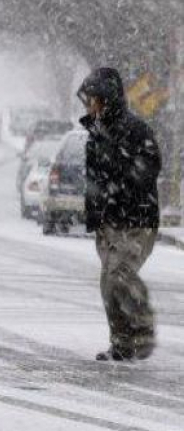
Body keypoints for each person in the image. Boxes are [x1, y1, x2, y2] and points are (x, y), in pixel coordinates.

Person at [78, 67, 161, 362]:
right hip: (109, 223)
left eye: (94, 100)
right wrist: (94, 216)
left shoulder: (135, 130)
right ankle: (123, 343)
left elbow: (151, 165)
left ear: (107, 99)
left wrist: (123, 179)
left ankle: (142, 328)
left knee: (120, 275)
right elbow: (93, 181)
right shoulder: (95, 135)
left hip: (137, 220)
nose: (90, 106)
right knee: (109, 285)